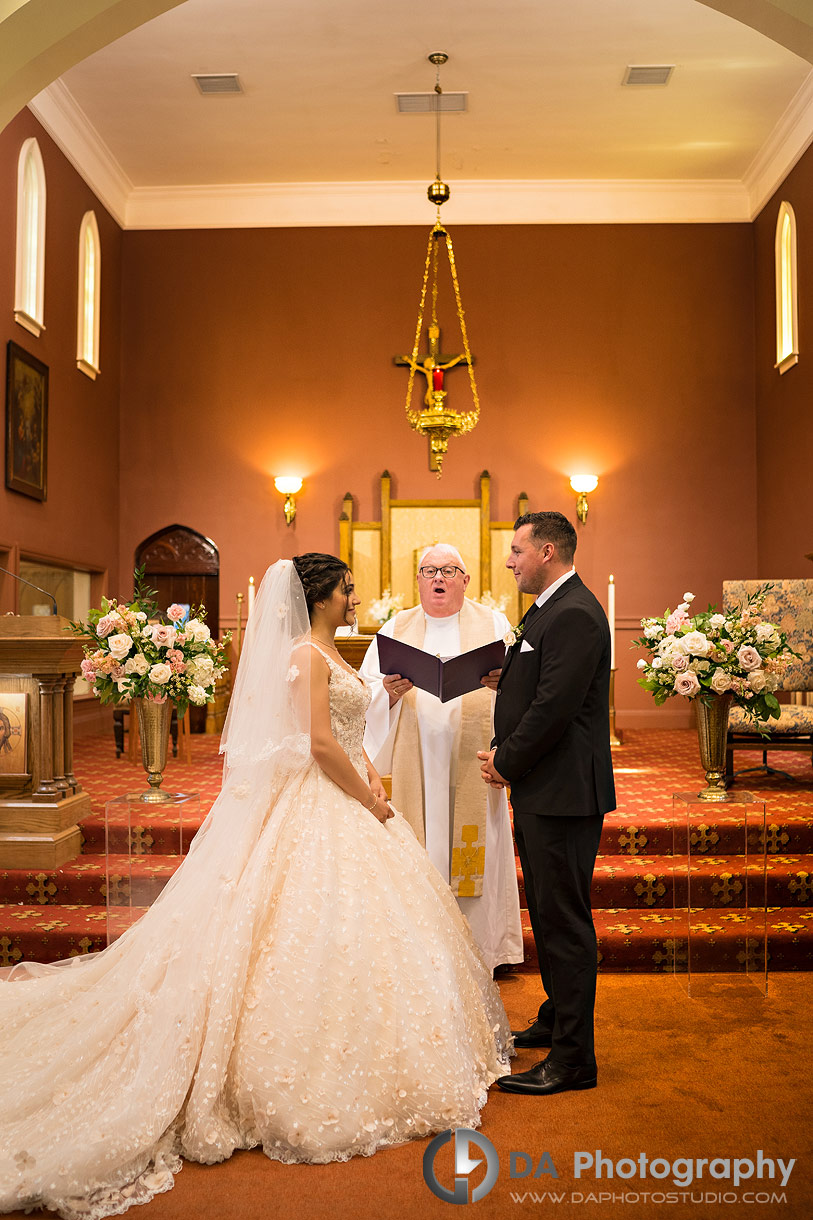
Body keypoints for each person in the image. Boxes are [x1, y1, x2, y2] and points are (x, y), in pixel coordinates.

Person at [0, 555, 511, 1220]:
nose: (353, 597)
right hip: (327, 799)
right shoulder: (304, 655)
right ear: (320, 598)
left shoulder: (327, 646)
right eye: (345, 589)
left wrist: (369, 776)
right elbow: (320, 746)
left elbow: (348, 732)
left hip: (348, 791)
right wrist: (370, 798)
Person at [479, 513, 616, 1096]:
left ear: (548, 550)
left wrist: (504, 761)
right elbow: (539, 683)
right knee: (549, 910)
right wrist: (504, 681)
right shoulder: (551, 607)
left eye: (516, 551)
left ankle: (574, 1060)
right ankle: (558, 1018)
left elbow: (556, 708)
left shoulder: (577, 613)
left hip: (561, 791)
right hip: (546, 789)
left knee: (563, 923)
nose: (510, 561)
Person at [361, 545, 524, 973]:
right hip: (416, 758)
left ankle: (481, 949)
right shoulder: (397, 628)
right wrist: (389, 695)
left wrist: (501, 683)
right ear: (418, 579)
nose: (439, 578)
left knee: (477, 843)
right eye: (430, 570)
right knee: (421, 840)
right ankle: (422, 949)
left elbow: (527, 689)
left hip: (475, 759)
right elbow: (364, 698)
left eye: (449, 571)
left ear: (465, 580)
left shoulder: (494, 624)